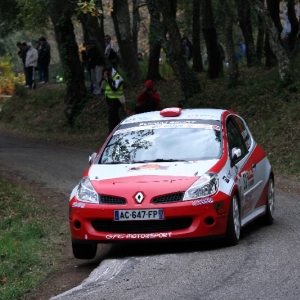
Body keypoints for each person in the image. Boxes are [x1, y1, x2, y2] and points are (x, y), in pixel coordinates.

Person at [102, 66, 129, 133]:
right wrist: (105, 78)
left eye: (108, 72)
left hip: (116, 101)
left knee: (112, 118)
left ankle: (111, 132)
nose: (107, 73)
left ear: (111, 71)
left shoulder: (118, 78)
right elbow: (102, 88)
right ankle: (119, 130)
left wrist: (108, 79)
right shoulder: (109, 79)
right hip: (111, 101)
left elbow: (114, 88)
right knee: (115, 118)